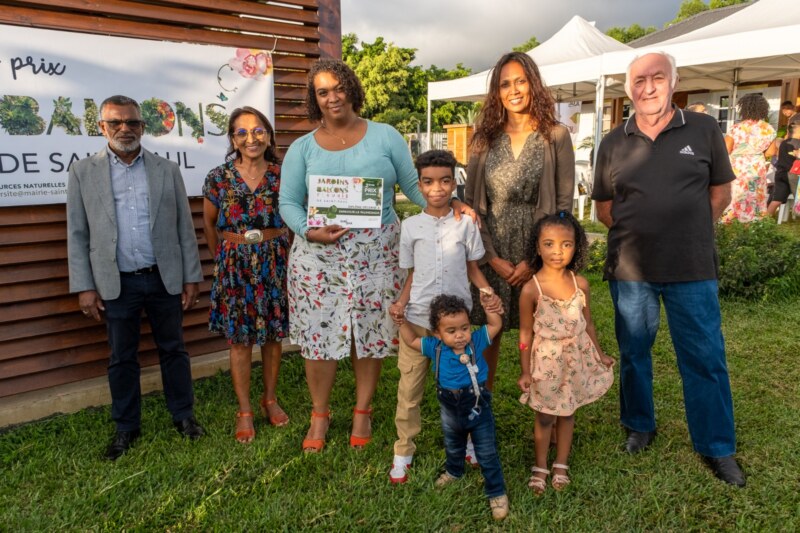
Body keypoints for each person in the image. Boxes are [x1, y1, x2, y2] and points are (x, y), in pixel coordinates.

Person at [279, 59, 475, 453]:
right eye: (322, 92)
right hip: (320, 257)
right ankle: (320, 413)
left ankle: (362, 410)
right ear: (314, 99)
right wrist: (308, 229)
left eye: (337, 87)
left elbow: (416, 189)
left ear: (351, 87)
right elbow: (288, 202)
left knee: (369, 334)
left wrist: (450, 204)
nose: (332, 97)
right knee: (320, 336)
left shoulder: (386, 137)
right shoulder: (302, 148)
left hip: (377, 255)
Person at [592, 52, 745, 487]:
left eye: (658, 77)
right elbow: (605, 209)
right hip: (631, 269)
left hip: (692, 266)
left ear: (674, 81)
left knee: (704, 357)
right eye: (639, 80)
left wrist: (686, 233)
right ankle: (640, 425)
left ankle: (717, 447)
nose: (649, 87)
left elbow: (721, 194)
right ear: (629, 89)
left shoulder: (703, 128)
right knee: (634, 353)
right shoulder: (613, 141)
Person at [67, 95, 205, 461]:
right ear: (102, 127)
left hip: (163, 278)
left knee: (174, 349)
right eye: (116, 123)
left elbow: (183, 228)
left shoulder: (166, 169)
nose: (124, 129)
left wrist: (192, 277)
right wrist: (84, 286)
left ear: (143, 127)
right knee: (122, 357)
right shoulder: (83, 172)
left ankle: (184, 416)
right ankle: (126, 427)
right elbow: (77, 233)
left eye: (132, 123)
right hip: (116, 283)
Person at [387, 149, 501, 483]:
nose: (437, 188)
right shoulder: (410, 227)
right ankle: (403, 450)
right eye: (428, 181)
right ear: (419, 184)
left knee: (467, 386)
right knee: (409, 389)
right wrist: (401, 304)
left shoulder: (466, 224)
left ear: (454, 181)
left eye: (445, 180)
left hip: (456, 325)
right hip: (421, 319)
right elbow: (411, 274)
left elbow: (472, 267)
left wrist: (486, 291)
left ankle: (469, 442)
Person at [465, 51, 575, 390]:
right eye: (505, 84)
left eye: (521, 81)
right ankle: (480, 409)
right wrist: (491, 258)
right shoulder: (483, 137)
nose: (513, 90)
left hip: (538, 249)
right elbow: (471, 206)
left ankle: (548, 408)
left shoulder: (555, 135)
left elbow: (562, 206)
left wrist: (535, 259)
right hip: (492, 247)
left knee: (545, 335)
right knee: (488, 333)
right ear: (496, 92)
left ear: (533, 84)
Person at [202, 107, 290, 443]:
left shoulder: (283, 175)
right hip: (233, 265)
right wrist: (223, 257)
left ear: (268, 135)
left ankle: (269, 399)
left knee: (271, 336)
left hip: (273, 262)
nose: (251, 138)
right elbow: (210, 224)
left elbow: (294, 218)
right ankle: (244, 410)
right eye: (242, 132)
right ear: (233, 139)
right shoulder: (218, 177)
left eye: (258, 131)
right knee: (239, 341)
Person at [517, 212, 615, 494]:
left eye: (566, 244)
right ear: (537, 247)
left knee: (567, 412)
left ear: (576, 247)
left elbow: (589, 324)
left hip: (576, 358)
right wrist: (525, 370)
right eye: (548, 244)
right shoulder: (530, 289)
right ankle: (540, 465)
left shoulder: (580, 283)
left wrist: (599, 353)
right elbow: (525, 334)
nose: (557, 251)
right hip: (546, 362)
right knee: (546, 414)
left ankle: (561, 463)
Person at [399, 294, 509, 521]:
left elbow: (496, 324)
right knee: (453, 443)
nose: (460, 335)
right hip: (449, 407)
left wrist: (489, 306)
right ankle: (454, 471)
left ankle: (496, 492)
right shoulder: (434, 347)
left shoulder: (476, 342)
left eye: (464, 328)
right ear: (438, 333)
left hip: (477, 406)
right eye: (451, 331)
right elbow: (411, 341)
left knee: (486, 452)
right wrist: (402, 322)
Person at [720, 93, 777, 223]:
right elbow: (770, 152)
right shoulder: (768, 129)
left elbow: (726, 149)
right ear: (763, 109)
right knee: (755, 195)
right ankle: (752, 223)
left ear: (743, 108)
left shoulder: (736, 128)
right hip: (757, 167)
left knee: (736, 194)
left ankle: (731, 220)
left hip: (738, 167)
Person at [767, 122, 800, 217]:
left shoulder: (784, 143)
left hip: (781, 174)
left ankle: (765, 222)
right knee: (798, 198)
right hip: (794, 175)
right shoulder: (797, 143)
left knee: (776, 200)